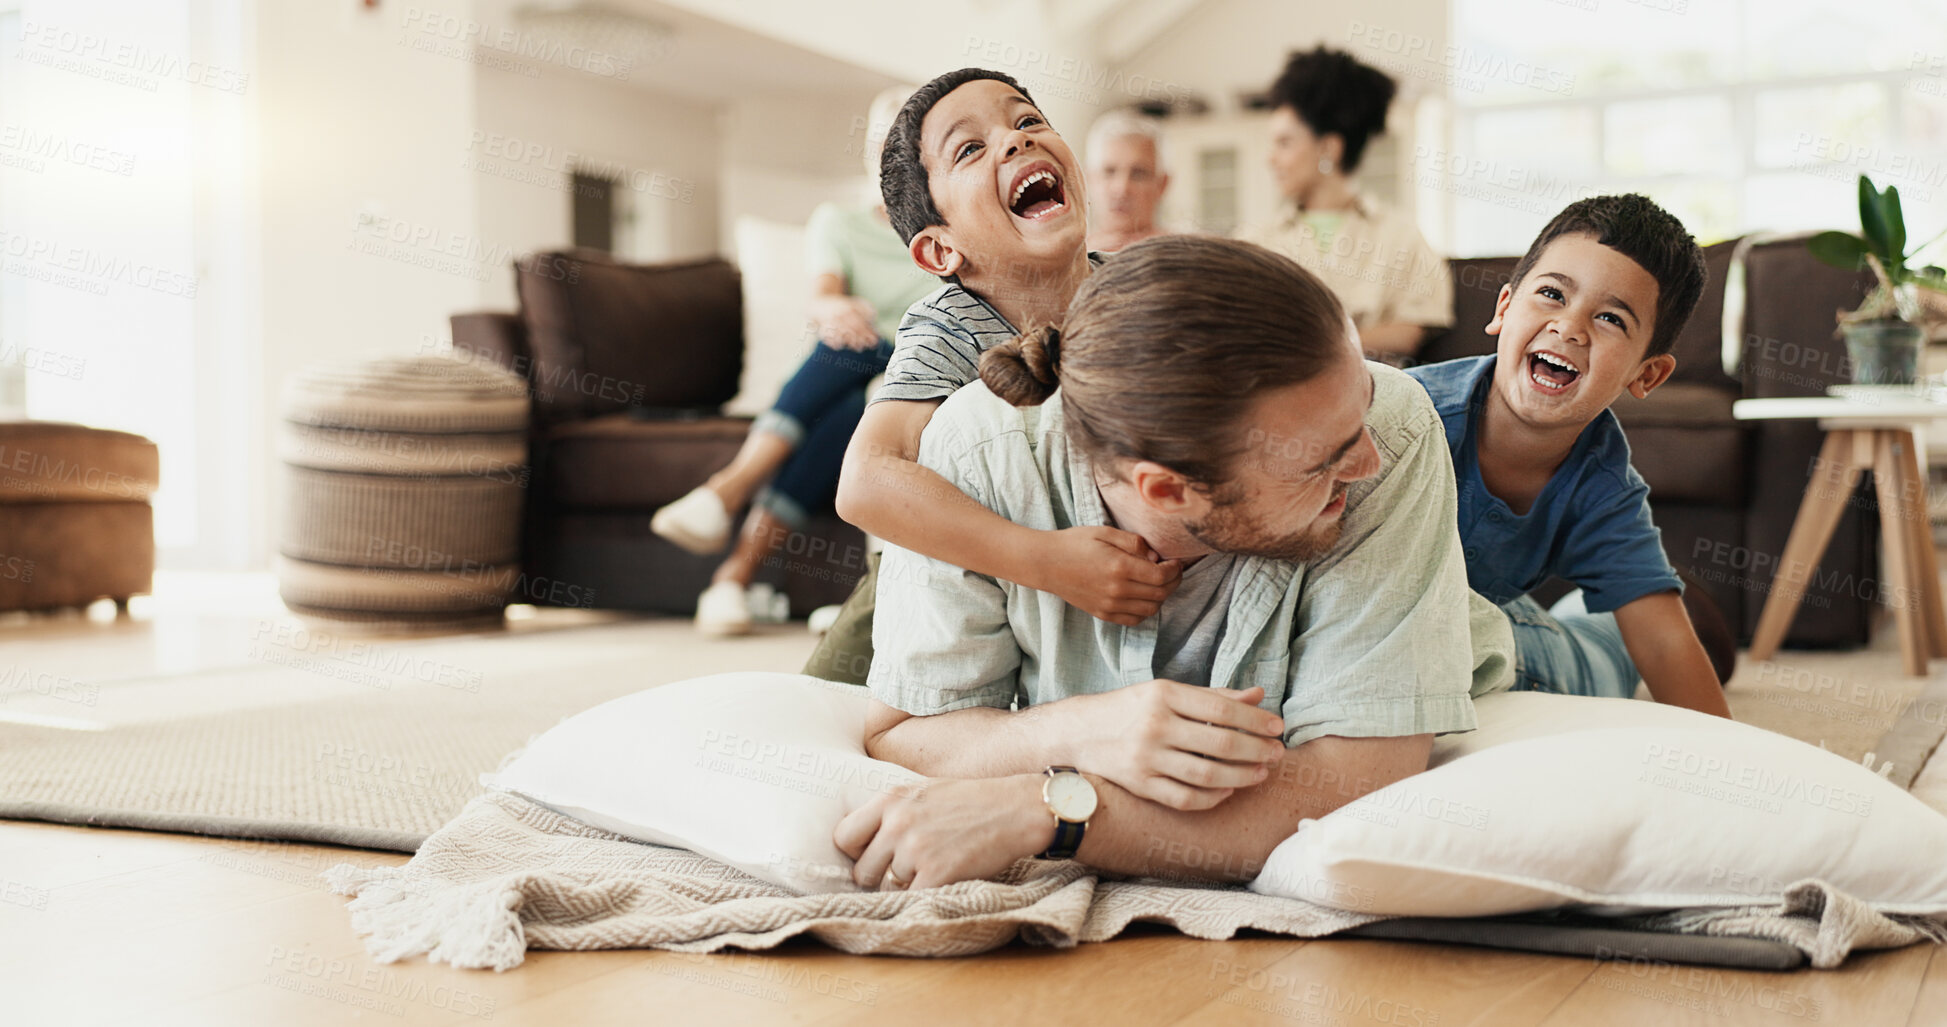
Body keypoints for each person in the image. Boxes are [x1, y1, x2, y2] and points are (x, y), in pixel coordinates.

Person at [832, 235, 1515, 891]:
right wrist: (1081, 729)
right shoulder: (976, 452)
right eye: (1322, 460)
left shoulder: (1391, 430)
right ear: (1165, 489)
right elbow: (906, 734)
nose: (1365, 461)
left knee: (1571, 647)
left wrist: (1052, 810)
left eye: (1358, 406)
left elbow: (1352, 778)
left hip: (1479, 633)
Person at [802, 68, 1184, 684]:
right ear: (939, 251)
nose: (1016, 140)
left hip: (1107, 549)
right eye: (971, 148)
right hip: (955, 558)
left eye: (1028, 121)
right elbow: (865, 482)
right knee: (827, 718)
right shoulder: (949, 323)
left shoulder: (1141, 291)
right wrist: (1047, 562)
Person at [1407, 195, 1734, 718]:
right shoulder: (1405, 418)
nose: (1570, 327)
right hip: (1455, 613)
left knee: (1592, 667)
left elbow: (1663, 646)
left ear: (1646, 375)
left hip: (1508, 635)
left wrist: (1731, 771)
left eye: (1610, 318)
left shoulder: (1602, 487)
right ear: (1504, 308)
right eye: (1552, 294)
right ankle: (1603, 609)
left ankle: (1625, 618)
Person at [649, 87, 937, 635]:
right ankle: (733, 575)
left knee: (867, 373)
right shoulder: (839, 223)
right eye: (884, 142)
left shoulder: (946, 229)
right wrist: (834, 307)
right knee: (849, 395)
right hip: (853, 371)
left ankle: (727, 508)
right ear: (869, 152)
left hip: (918, 365)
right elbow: (824, 293)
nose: (893, 153)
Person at [1238, 46, 1451, 362]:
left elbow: (1409, 332)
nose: (1270, 158)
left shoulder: (1400, 235)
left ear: (1329, 148)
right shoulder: (1254, 241)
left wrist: (1319, 349)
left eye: (1284, 142)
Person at [1084, 110, 1171, 253]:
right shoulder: (1069, 261)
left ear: (1163, 184)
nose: (1121, 188)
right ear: (1089, 179)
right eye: (1109, 172)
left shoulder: (1184, 256)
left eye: (1138, 174)